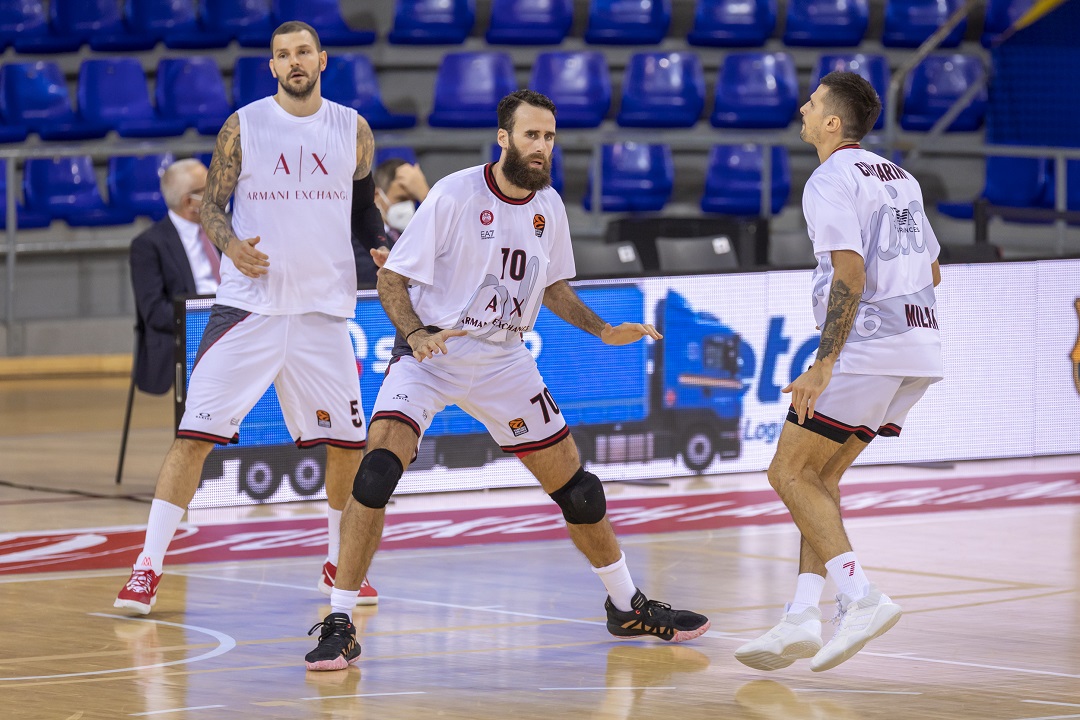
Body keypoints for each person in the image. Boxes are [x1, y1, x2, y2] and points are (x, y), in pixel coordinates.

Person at [303, 89, 711, 672]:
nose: (542, 147)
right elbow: (392, 280)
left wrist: (601, 329)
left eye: (549, 137)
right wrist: (417, 335)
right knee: (376, 472)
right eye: (530, 135)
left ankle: (628, 606)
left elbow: (553, 288)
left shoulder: (551, 206)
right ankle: (340, 620)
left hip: (503, 361)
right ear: (504, 138)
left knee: (580, 490)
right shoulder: (453, 193)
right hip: (434, 351)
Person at [115, 20, 382, 614]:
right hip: (248, 308)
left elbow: (364, 211)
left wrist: (381, 244)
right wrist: (231, 246)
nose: (294, 62)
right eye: (283, 54)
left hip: (322, 310)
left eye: (303, 52)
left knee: (348, 446)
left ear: (322, 59)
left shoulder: (353, 129)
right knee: (193, 438)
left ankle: (339, 563)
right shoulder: (245, 124)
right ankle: (147, 566)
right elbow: (211, 204)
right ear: (271, 66)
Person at [733, 71, 943, 673]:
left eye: (814, 101)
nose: (803, 106)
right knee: (819, 481)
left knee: (788, 473)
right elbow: (933, 268)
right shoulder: (900, 177)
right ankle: (801, 614)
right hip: (920, 344)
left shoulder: (830, 177)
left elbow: (849, 271)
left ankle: (860, 597)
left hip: (869, 348)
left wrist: (825, 362)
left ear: (832, 123)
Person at [129, 159, 217, 395]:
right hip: (190, 334)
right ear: (190, 201)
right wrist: (210, 319)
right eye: (210, 187)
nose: (218, 192)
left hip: (231, 325)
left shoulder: (224, 231)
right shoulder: (148, 245)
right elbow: (155, 312)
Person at [373, 158, 429, 243]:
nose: (408, 207)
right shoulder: (362, 237)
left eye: (413, 200)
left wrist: (425, 196)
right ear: (376, 196)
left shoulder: (413, 237)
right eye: (402, 199)